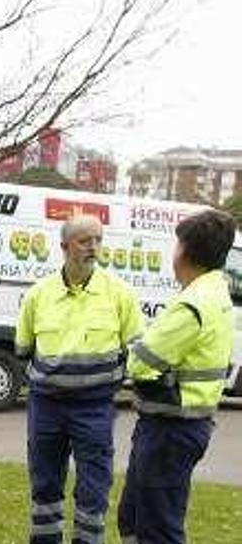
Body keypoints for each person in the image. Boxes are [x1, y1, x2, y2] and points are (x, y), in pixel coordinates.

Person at [14, 215, 143, 543]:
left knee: (94, 487)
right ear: (64, 246)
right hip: (46, 404)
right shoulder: (38, 295)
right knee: (44, 483)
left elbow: (136, 348)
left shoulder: (119, 294)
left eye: (98, 239)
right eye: (85, 241)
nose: (94, 247)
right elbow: (24, 348)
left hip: (96, 406)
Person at [118, 209, 235, 544]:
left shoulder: (193, 304)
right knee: (134, 517)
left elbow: (139, 363)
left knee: (157, 528)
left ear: (185, 251)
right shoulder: (214, 291)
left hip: (171, 429)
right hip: (178, 425)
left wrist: (137, 346)